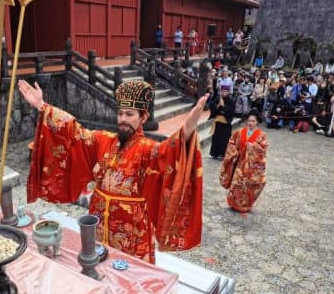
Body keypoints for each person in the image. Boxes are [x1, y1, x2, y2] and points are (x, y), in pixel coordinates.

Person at [20, 79, 207, 263]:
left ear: (143, 117)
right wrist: (42, 106)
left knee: (130, 271)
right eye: (120, 114)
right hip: (99, 218)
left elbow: (170, 151)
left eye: (129, 114)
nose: (123, 119)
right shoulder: (103, 140)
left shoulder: (148, 149)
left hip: (132, 226)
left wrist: (188, 128)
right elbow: (74, 132)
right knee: (96, 263)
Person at [219, 112, 268, 213]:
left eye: (253, 121)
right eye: (249, 121)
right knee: (236, 184)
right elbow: (231, 142)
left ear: (257, 122)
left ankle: (245, 205)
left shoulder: (262, 135)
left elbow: (263, 149)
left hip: (251, 166)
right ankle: (234, 203)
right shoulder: (240, 132)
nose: (250, 123)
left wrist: (252, 147)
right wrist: (234, 152)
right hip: (239, 163)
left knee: (248, 186)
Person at [209, 85, 236, 160]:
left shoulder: (231, 100)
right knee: (216, 138)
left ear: (228, 92)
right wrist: (218, 105)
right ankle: (214, 153)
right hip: (218, 122)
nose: (224, 93)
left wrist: (223, 106)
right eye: (222, 91)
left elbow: (231, 112)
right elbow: (212, 106)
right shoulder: (218, 98)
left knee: (224, 139)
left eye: (225, 91)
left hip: (226, 123)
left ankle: (222, 154)